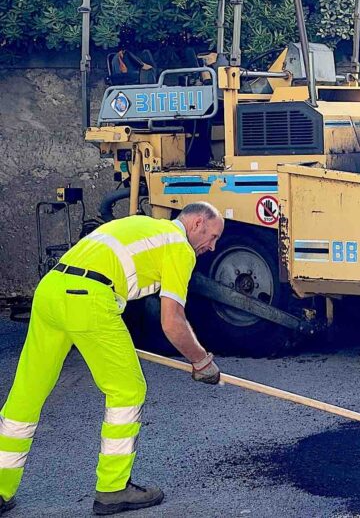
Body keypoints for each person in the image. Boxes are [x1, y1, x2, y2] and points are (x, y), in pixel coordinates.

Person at [0, 202, 225, 515]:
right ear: (197, 222)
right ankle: (113, 488)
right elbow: (172, 321)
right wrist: (201, 362)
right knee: (128, 389)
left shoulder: (144, 226)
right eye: (213, 237)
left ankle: (1, 488)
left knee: (27, 391)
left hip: (50, 290)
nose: (211, 247)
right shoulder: (178, 246)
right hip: (88, 298)